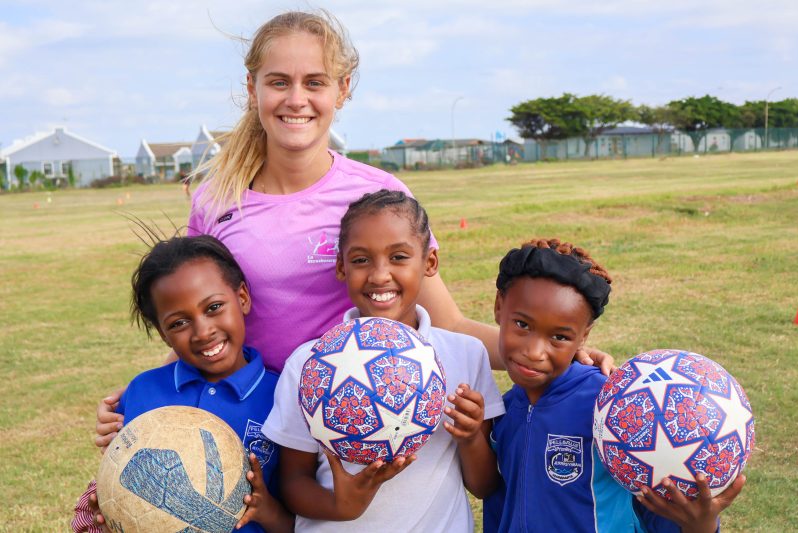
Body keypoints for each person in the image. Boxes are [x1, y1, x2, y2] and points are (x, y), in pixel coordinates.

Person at [94, 9, 612, 450]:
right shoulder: (217, 198)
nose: (296, 98)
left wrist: (553, 350)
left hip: (355, 421)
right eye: (279, 81)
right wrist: (146, 398)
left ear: (341, 90)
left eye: (314, 82)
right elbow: (199, 313)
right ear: (252, 89)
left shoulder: (376, 196)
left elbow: (447, 322)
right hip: (253, 425)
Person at [262, 190, 504, 531]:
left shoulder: (464, 354)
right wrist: (341, 505)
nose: (379, 275)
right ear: (341, 267)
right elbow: (292, 482)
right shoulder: (310, 364)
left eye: (399, 257)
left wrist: (470, 437)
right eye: (361, 260)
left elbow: (484, 486)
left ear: (430, 263)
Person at [481, 238, 745, 532]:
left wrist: (702, 527)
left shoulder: (613, 408)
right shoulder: (501, 410)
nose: (535, 351)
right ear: (499, 307)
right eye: (522, 325)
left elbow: (662, 503)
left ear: (583, 337)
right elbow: (498, 500)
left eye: (560, 337)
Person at [72, 235, 293, 532]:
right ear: (164, 335)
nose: (203, 332)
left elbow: (298, 524)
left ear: (242, 298)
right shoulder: (142, 392)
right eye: (178, 323)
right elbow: (120, 481)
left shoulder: (282, 397)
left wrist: (266, 510)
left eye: (214, 307)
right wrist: (114, 509)